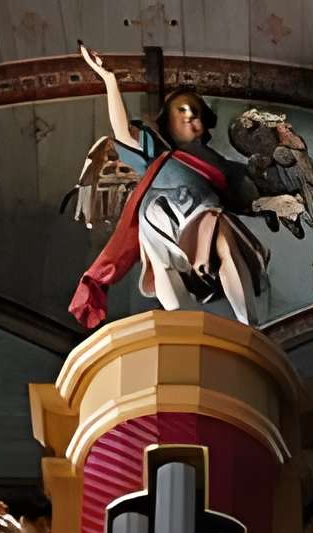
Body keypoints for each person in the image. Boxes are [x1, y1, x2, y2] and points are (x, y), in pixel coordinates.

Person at [68, 43, 301, 330]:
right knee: (162, 263)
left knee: (226, 242)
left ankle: (248, 327)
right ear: (168, 123)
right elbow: (122, 131)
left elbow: (248, 199)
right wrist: (109, 80)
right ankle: (186, 328)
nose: (190, 116)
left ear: (205, 123)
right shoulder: (160, 153)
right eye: (182, 111)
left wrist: (277, 202)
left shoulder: (222, 168)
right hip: (162, 210)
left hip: (204, 210)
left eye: (195, 112)